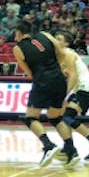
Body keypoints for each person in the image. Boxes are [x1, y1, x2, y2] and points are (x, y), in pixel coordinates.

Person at [12, 21, 80, 167]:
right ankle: (71, 150)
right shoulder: (46, 35)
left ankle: (48, 145)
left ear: (18, 33)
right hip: (59, 79)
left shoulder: (18, 48)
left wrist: (40, 76)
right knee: (55, 117)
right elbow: (62, 54)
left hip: (42, 81)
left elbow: (28, 71)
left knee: (30, 118)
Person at [53, 31, 89, 160]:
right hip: (80, 90)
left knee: (67, 118)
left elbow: (73, 76)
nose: (56, 40)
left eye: (59, 38)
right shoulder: (59, 55)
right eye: (55, 38)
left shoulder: (68, 53)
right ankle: (69, 147)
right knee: (64, 118)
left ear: (66, 43)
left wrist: (64, 94)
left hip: (86, 89)